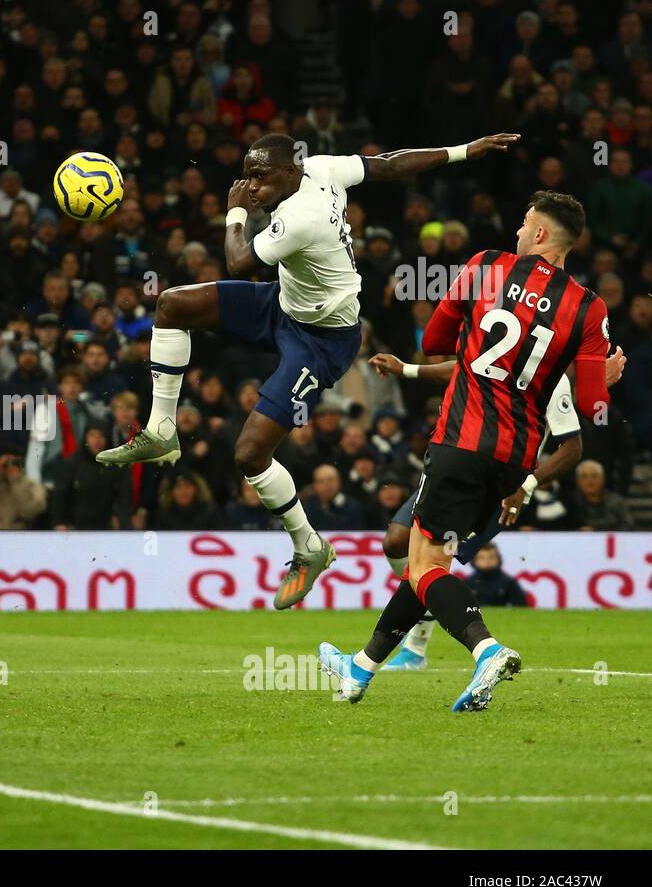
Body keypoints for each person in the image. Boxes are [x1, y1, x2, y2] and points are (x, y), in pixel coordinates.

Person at [97, 130, 521, 609]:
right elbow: (390, 162)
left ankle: (309, 548)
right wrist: (462, 149)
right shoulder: (321, 167)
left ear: (287, 171)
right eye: (247, 178)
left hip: (322, 341)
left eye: (259, 177)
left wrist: (236, 210)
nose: (252, 186)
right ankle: (161, 427)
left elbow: (238, 260)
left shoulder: (301, 217)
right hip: (283, 304)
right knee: (172, 305)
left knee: (249, 455)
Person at [319, 191, 622, 711]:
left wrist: (475, 327)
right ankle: (360, 669)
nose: (519, 230)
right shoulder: (590, 308)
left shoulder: (486, 266)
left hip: (461, 441)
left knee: (425, 566)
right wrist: (604, 376)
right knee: (425, 560)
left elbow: (437, 340)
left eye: (526, 223)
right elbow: (594, 405)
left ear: (542, 235)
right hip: (515, 461)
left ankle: (486, 650)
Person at [366, 348, 619, 670]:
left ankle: (416, 650)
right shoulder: (501, 354)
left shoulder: (551, 382)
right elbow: (461, 368)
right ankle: (382, 656)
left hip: (498, 487)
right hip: (458, 467)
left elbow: (571, 448)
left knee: (429, 567)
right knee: (397, 542)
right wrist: (407, 369)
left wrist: (525, 487)